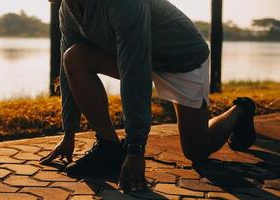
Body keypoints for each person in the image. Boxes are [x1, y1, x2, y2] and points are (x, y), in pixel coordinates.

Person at [41, 0, 257, 193]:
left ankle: (241, 109)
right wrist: (68, 133)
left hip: (181, 59)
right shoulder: (67, 9)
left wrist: (136, 150)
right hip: (141, 57)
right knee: (74, 58)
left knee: (196, 152)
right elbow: (66, 69)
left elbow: (134, 73)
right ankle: (109, 149)